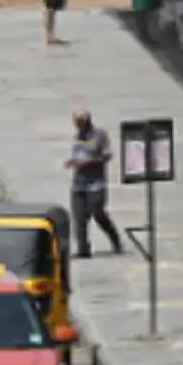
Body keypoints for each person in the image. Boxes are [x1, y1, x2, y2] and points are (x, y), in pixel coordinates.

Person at [68, 110, 123, 257]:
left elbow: (107, 156)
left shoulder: (100, 135)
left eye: (80, 123)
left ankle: (114, 238)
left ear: (88, 121)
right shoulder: (77, 136)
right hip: (79, 183)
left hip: (96, 183)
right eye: (76, 123)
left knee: (97, 212)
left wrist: (89, 162)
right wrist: (72, 162)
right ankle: (83, 249)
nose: (78, 126)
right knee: (79, 217)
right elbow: (77, 155)